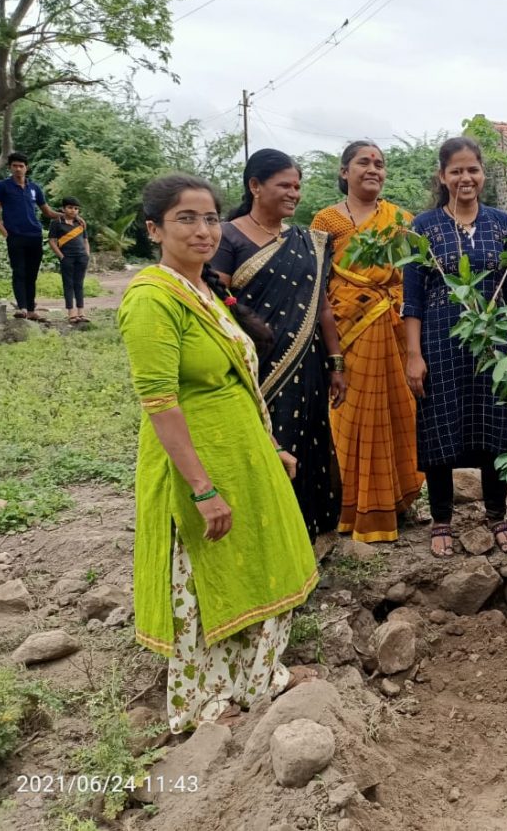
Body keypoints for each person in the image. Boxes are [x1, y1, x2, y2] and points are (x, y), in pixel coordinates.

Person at [118, 174, 318, 733]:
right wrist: (202, 488)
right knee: (202, 579)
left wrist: (270, 446)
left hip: (243, 452)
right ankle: (205, 703)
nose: (203, 230)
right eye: (187, 218)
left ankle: (259, 679)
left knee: (255, 561)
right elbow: (161, 403)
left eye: (210, 218)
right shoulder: (152, 301)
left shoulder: (205, 292)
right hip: (196, 462)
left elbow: (237, 382)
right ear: (155, 228)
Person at [403, 137, 507, 558]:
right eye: (456, 170)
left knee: (495, 426)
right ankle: (441, 518)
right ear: (442, 177)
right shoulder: (423, 227)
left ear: (482, 175)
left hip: (493, 341)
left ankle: (497, 515)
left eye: (473, 170)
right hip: (440, 340)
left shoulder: (502, 224)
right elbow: (413, 297)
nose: (466, 178)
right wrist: (413, 354)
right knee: (439, 425)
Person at [213, 149, 345, 539]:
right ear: (255, 186)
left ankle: (305, 533)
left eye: (298, 186)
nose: (294, 193)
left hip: (308, 365)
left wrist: (336, 362)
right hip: (254, 365)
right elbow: (216, 303)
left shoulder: (310, 241)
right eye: (284, 185)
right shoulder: (227, 236)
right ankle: (264, 535)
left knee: (307, 444)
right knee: (264, 447)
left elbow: (322, 306)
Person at [310, 140, 423, 543]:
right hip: (345, 332)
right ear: (344, 172)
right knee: (346, 418)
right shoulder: (327, 220)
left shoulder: (401, 219)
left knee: (397, 416)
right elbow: (318, 283)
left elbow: (412, 279)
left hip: (392, 331)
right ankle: (345, 505)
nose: (372, 169)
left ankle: (393, 503)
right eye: (363, 162)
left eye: (379, 163)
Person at [0, 151, 58, 320]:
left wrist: (69, 216)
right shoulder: (1, 186)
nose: (18, 169)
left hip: (34, 235)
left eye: (21, 166)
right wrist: (5, 233)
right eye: (15, 166)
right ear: (10, 167)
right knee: (19, 271)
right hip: (15, 236)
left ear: (27, 168)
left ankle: (31, 308)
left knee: (32, 274)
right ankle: (22, 308)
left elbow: (47, 211)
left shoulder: (34, 188)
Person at [48, 196, 92, 324]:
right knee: (68, 284)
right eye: (70, 207)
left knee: (79, 284)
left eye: (76, 208)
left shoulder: (80, 223)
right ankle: (71, 312)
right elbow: (52, 241)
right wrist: (61, 256)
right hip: (67, 257)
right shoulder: (57, 222)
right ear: (63, 208)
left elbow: (85, 240)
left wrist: (87, 254)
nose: (73, 211)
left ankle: (81, 312)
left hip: (81, 257)